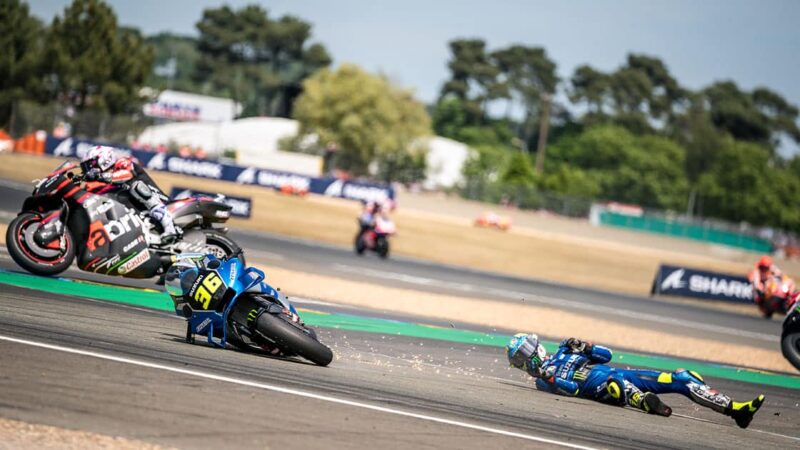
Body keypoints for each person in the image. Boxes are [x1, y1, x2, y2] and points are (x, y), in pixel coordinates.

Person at [506, 333, 765, 429]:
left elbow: (606, 356)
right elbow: (573, 391)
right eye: (520, 360)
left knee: (681, 377)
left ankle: (735, 410)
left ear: (536, 346)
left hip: (618, 372)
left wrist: (585, 346)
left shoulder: (565, 349)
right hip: (598, 388)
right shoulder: (542, 382)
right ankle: (643, 401)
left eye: (525, 353)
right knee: (615, 387)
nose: (525, 360)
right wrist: (551, 379)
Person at [80, 145, 180, 243]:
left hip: (160, 200)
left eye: (90, 165)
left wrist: (101, 176)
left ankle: (170, 227)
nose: (88, 170)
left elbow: (127, 174)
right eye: (85, 167)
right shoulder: (99, 182)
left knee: (136, 187)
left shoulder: (122, 162)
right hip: (138, 215)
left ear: (104, 159)